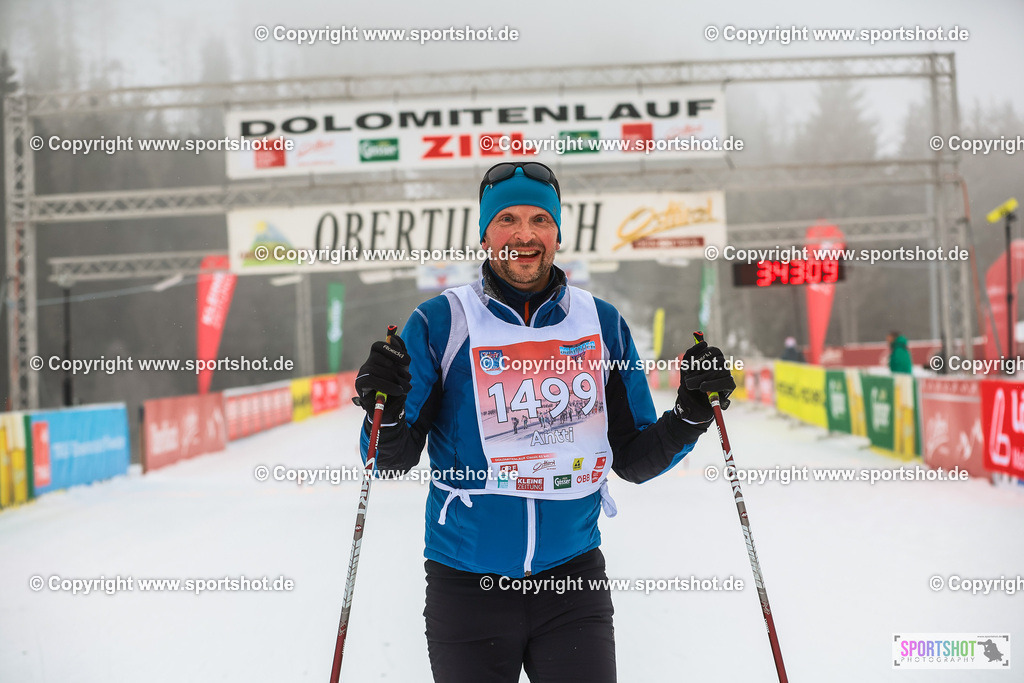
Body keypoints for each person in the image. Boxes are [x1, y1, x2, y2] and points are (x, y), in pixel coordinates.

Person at [353, 161, 735, 683]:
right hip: (467, 586)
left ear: (557, 232)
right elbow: (389, 459)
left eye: (540, 220)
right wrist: (385, 409)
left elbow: (634, 459)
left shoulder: (601, 323)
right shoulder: (441, 322)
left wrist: (690, 415)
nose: (524, 235)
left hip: (572, 583)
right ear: (486, 233)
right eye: (507, 219)